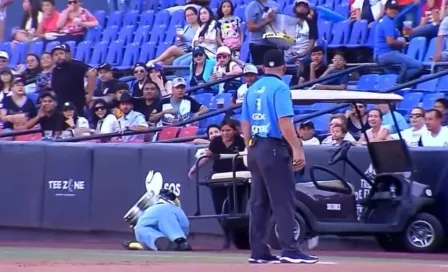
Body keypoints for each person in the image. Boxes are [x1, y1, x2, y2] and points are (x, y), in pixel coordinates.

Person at [241, 49, 317, 264]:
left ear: (263, 68)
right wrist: (298, 148)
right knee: (283, 200)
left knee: (259, 202)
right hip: (274, 147)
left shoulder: (252, 88)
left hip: (255, 146)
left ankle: (258, 251)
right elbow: (284, 121)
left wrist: (249, 147)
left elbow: (245, 122)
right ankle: (290, 249)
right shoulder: (281, 87)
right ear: (284, 68)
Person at [374, 0, 423, 81]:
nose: (393, 11)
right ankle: (399, 81)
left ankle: (396, 82)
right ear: (386, 10)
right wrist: (402, 43)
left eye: (395, 9)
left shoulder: (384, 21)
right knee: (418, 66)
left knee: (394, 74)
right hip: (387, 54)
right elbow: (390, 42)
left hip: (379, 56)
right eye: (391, 9)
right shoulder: (388, 22)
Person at [51, 44, 96, 116]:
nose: (59, 56)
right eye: (56, 54)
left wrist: (89, 94)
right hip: (61, 106)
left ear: (66, 54)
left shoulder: (75, 65)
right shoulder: (55, 70)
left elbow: (92, 73)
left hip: (76, 105)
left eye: (61, 53)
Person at [245, 0, 280, 65]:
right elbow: (250, 27)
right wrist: (265, 21)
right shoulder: (251, 7)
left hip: (273, 44)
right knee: (260, 71)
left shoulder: (276, 5)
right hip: (258, 44)